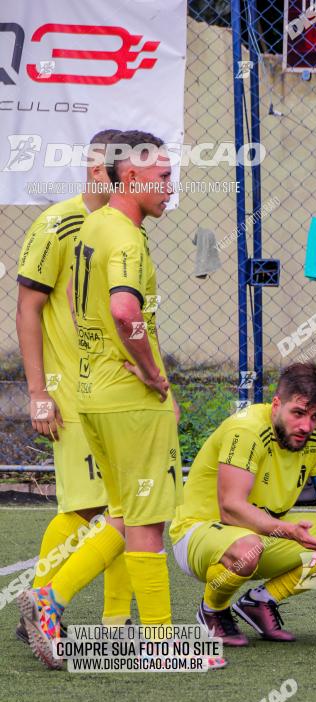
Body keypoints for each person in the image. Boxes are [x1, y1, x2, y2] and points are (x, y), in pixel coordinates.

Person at [17, 131, 224, 670]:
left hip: (92, 394)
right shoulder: (127, 238)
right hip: (130, 400)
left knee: (122, 515)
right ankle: (160, 647)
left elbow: (71, 299)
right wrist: (155, 375)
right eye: (161, 178)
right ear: (129, 178)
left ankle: (49, 599)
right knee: (148, 523)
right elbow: (127, 313)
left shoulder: (95, 225)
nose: (170, 189)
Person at [15, 129, 133, 646]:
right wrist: (39, 392)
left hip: (119, 391)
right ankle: (43, 603)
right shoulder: (57, 223)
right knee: (88, 507)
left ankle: (114, 620)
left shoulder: (127, 226)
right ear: (97, 170)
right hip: (74, 393)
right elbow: (27, 309)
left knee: (129, 505)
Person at [169, 362, 316, 645]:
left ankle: (262, 600)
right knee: (247, 548)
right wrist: (287, 531)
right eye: (298, 413)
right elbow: (231, 509)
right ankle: (212, 610)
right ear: (276, 404)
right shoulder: (247, 430)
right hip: (199, 534)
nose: (306, 426)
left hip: (264, 534)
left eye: (315, 416)